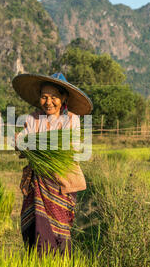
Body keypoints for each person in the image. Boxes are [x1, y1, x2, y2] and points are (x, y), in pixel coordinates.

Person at [12, 72, 93, 256]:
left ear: (64, 97)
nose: (49, 102)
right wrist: (21, 143)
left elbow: (69, 148)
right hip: (38, 183)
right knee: (36, 227)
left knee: (60, 230)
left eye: (54, 97)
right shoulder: (32, 119)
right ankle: (37, 265)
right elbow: (22, 143)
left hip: (62, 183)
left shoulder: (71, 120)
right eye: (44, 97)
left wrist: (33, 145)